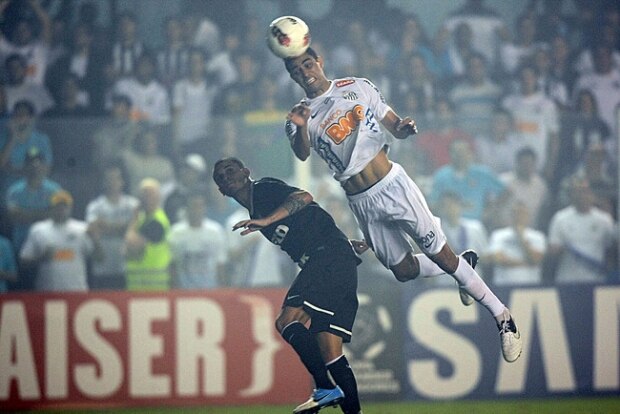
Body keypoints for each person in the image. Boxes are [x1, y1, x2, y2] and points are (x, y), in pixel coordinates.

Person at [283, 47, 522, 363]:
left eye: (307, 64)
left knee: (441, 255)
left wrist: (404, 129)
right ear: (292, 77)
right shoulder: (298, 115)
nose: (305, 72)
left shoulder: (357, 86)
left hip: (393, 185)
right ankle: (464, 265)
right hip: (360, 200)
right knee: (403, 270)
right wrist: (301, 125)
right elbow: (301, 154)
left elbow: (393, 124)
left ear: (319, 62)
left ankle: (502, 316)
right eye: (297, 70)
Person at [212, 157, 362, 414]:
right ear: (221, 190)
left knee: (287, 321)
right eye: (220, 177)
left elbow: (304, 197)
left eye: (230, 170)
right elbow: (310, 223)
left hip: (326, 257)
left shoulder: (263, 189)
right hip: (335, 257)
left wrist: (268, 220)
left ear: (246, 171)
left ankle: (325, 387)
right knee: (330, 349)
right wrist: (342, 243)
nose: (226, 176)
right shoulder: (255, 212)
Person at [19, 189, 101, 292]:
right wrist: (41, 258)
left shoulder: (83, 229)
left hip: (76, 290)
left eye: (64, 206)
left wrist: (96, 241)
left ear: (70, 208)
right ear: (51, 208)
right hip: (47, 290)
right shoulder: (38, 229)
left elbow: (99, 259)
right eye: (58, 206)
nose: (61, 210)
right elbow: (23, 262)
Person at [85, 163, 139, 290]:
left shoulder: (133, 204)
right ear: (104, 182)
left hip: (126, 266)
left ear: (122, 181)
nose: (113, 182)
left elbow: (136, 227)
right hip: (102, 266)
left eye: (116, 178)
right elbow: (93, 229)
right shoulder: (95, 206)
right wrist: (123, 227)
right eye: (109, 178)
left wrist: (105, 226)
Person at [168, 193, 227, 289]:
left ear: (204, 208)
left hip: (210, 289)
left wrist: (222, 288)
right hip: (184, 290)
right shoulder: (176, 232)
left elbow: (220, 263)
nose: (197, 210)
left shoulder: (215, 231)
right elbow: (173, 264)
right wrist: (174, 288)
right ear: (187, 209)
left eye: (200, 206)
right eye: (193, 206)